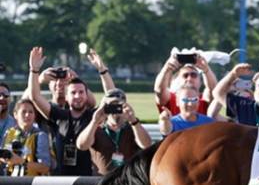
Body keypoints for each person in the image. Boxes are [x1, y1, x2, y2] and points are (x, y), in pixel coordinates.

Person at [27, 47, 95, 176]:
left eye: (81, 92)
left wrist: (77, 78)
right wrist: (34, 71)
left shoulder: (92, 116)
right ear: (67, 97)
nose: (77, 96)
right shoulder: (59, 115)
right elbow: (34, 97)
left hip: (86, 178)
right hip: (58, 176)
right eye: (73, 93)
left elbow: (107, 99)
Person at [76, 88, 151, 175]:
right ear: (104, 108)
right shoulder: (96, 129)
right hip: (102, 181)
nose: (115, 110)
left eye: (118, 106)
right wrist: (94, 121)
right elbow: (81, 146)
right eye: (111, 106)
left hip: (127, 180)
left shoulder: (133, 127)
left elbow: (147, 145)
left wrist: (134, 121)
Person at [0, 99, 52, 176]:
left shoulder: (40, 136)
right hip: (10, 182)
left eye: (31, 112)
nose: (27, 115)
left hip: (32, 184)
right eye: (24, 112)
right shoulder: (9, 133)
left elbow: (45, 167)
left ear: (35, 115)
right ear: (15, 115)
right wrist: (6, 158)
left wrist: (21, 161)